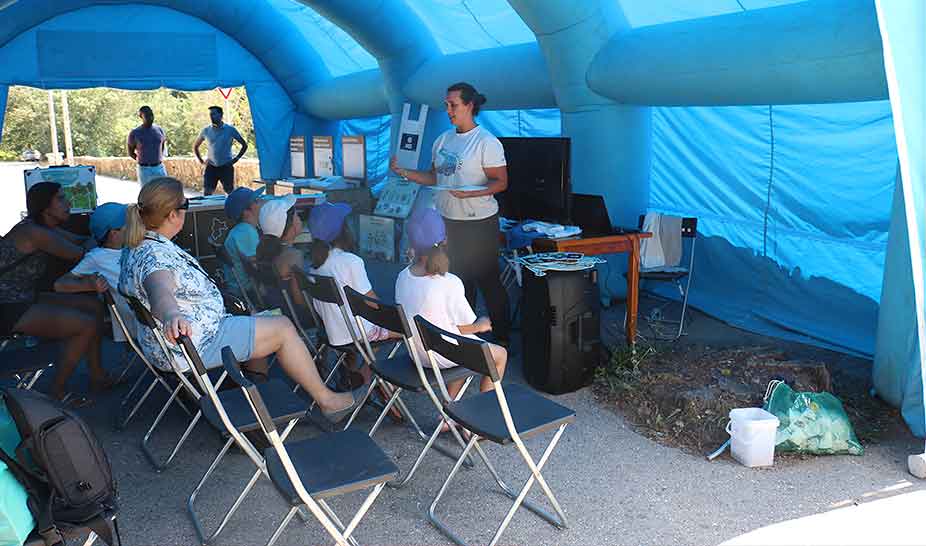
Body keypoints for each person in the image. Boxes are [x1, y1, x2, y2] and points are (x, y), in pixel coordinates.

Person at [118, 178, 361, 421]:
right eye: (186, 205)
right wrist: (171, 314)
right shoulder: (155, 257)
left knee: (259, 321)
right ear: (173, 214)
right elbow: (159, 289)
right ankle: (328, 401)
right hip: (193, 345)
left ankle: (257, 398)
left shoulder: (140, 245)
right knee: (283, 328)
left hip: (177, 343)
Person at [390, 82, 511, 347]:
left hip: (479, 223)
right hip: (448, 222)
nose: (448, 110)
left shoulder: (486, 142)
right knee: (458, 279)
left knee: (488, 280)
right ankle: (466, 338)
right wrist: (405, 173)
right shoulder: (443, 140)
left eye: (453, 105)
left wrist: (471, 193)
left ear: (469, 105)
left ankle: (502, 339)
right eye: (446, 105)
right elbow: (434, 176)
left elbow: (501, 182)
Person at [256, 199, 392, 387]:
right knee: (403, 329)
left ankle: (350, 372)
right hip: (353, 332)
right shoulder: (350, 261)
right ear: (344, 230)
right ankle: (366, 376)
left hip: (331, 330)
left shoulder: (315, 266)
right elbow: (373, 303)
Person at [0, 182, 113, 405]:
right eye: (60, 199)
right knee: (86, 324)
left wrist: (99, 237)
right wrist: (111, 238)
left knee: (94, 307)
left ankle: (98, 376)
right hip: (8, 306)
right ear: (45, 207)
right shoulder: (35, 233)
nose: (68, 202)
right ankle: (57, 392)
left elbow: (79, 241)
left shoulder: (43, 227)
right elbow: (80, 253)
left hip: (23, 297)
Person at [395, 207, 507, 397]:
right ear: (445, 240)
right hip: (444, 354)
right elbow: (463, 328)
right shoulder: (450, 282)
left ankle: (451, 406)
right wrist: (480, 325)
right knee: (499, 354)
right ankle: (483, 409)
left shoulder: (402, 276)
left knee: (463, 346)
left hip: (417, 353)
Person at [54, 202, 136, 342]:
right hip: (139, 320)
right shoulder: (97, 257)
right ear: (114, 233)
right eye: (128, 225)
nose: (133, 228)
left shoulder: (132, 248)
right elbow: (60, 285)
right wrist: (90, 285)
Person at [193, 106, 248, 195]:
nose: (211, 116)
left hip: (226, 166)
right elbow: (196, 146)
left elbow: (244, 145)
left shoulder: (230, 129)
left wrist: (236, 159)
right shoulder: (206, 130)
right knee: (207, 194)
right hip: (211, 167)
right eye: (210, 114)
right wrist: (201, 161)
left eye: (214, 114)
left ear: (221, 115)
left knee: (230, 193)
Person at [222, 186, 264, 300]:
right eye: (256, 201)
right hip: (247, 292)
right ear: (246, 212)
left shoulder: (243, 229)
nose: (261, 202)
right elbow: (255, 267)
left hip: (241, 288)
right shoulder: (246, 232)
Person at [127, 106, 168, 185]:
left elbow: (162, 145)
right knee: (146, 191)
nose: (150, 117)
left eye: (151, 114)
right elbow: (130, 152)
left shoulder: (159, 130)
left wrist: (158, 158)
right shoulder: (135, 133)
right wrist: (142, 161)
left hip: (159, 167)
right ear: (141, 116)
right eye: (147, 115)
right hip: (144, 170)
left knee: (163, 190)